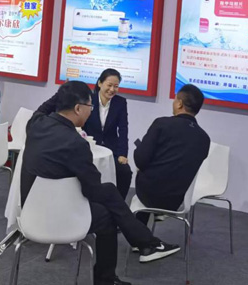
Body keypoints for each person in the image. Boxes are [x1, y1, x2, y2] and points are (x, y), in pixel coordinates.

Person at [24, 82, 180, 285]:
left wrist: (64, 92)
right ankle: (112, 273)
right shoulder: (75, 143)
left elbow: (44, 108)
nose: (91, 110)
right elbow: (92, 190)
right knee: (107, 212)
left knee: (109, 192)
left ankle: (144, 242)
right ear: (78, 108)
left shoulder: (35, 124)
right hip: (59, 215)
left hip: (30, 211)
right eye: (90, 106)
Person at [134, 84, 210, 222]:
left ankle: (137, 231)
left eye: (175, 100)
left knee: (143, 172)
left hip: (149, 193)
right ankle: (143, 230)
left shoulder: (162, 124)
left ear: (179, 103)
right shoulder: (204, 139)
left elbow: (140, 160)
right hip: (177, 200)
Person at [82, 69, 132, 200]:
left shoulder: (120, 103)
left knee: (125, 172)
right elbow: (81, 126)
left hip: (111, 148)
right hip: (90, 146)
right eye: (109, 85)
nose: (112, 90)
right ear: (100, 83)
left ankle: (118, 203)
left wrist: (122, 154)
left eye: (116, 86)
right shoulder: (88, 99)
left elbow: (123, 129)